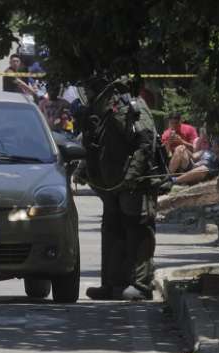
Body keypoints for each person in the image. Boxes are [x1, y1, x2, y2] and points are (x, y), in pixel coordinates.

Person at [75, 77, 159, 301]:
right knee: (112, 232)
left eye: (89, 87)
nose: (86, 93)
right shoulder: (101, 111)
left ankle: (141, 285)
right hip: (111, 185)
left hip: (134, 185)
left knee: (137, 231)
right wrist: (83, 168)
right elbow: (94, 143)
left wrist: (132, 176)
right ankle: (112, 284)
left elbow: (145, 141)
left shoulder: (128, 106)